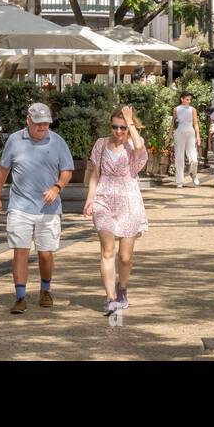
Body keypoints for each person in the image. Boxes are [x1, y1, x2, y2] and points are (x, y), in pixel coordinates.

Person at [0, 103, 74, 314]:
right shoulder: (14, 140)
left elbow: (67, 171)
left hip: (49, 208)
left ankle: (45, 290)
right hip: (20, 206)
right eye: (38, 124)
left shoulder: (58, 142)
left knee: (46, 254)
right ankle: (20, 296)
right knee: (20, 252)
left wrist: (57, 187)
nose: (42, 128)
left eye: (46, 124)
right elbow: (3, 170)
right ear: (28, 120)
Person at [83, 106, 149, 315]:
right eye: (114, 127)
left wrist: (130, 123)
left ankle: (122, 288)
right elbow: (95, 174)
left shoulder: (133, 145)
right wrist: (89, 200)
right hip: (104, 200)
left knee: (125, 257)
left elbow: (139, 144)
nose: (118, 132)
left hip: (128, 202)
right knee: (107, 251)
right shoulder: (101, 144)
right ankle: (110, 298)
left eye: (122, 128)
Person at [170, 91, 200, 188]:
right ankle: (179, 181)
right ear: (182, 99)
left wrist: (198, 135)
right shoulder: (176, 109)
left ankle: (193, 174)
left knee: (194, 158)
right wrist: (169, 135)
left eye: (190, 99)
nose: (189, 101)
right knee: (179, 157)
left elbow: (195, 123)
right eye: (187, 99)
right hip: (179, 132)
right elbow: (173, 123)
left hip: (190, 132)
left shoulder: (193, 109)